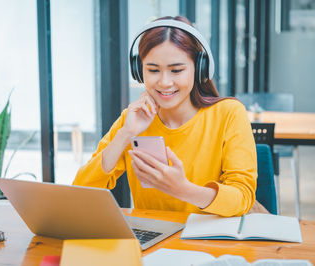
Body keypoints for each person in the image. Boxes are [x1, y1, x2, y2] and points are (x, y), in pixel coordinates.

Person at [73, 16, 257, 217]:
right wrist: (126, 133)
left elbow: (242, 198)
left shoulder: (228, 114)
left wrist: (183, 189)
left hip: (208, 241)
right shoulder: (133, 119)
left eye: (176, 70)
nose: (165, 82)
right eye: (153, 70)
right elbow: (81, 191)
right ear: (138, 70)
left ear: (199, 68)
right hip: (151, 239)